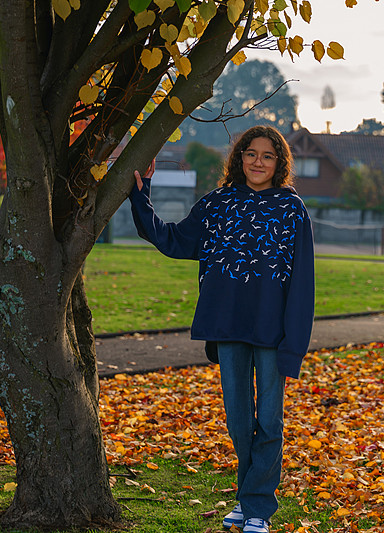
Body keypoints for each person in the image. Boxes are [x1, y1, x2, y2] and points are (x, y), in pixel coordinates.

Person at [129, 125, 315, 533]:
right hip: (227, 326)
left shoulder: (291, 209)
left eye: (268, 156)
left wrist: (294, 345)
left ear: (279, 162)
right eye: (251, 154)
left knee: (269, 421)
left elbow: (302, 283)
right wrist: (140, 195)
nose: (258, 162)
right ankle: (249, 501)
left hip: (272, 331)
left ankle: (257, 509)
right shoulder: (218, 204)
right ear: (239, 157)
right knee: (237, 420)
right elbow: (175, 240)